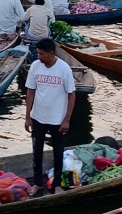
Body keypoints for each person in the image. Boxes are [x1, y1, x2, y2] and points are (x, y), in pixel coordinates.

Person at [24, 38, 76, 196]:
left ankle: (57, 183)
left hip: (57, 119)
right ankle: (38, 183)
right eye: (38, 53)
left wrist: (66, 119)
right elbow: (30, 91)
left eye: (41, 53)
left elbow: (71, 95)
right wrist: (28, 116)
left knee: (58, 151)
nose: (38, 56)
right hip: (38, 117)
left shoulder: (64, 69)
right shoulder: (35, 66)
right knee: (36, 151)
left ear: (51, 53)